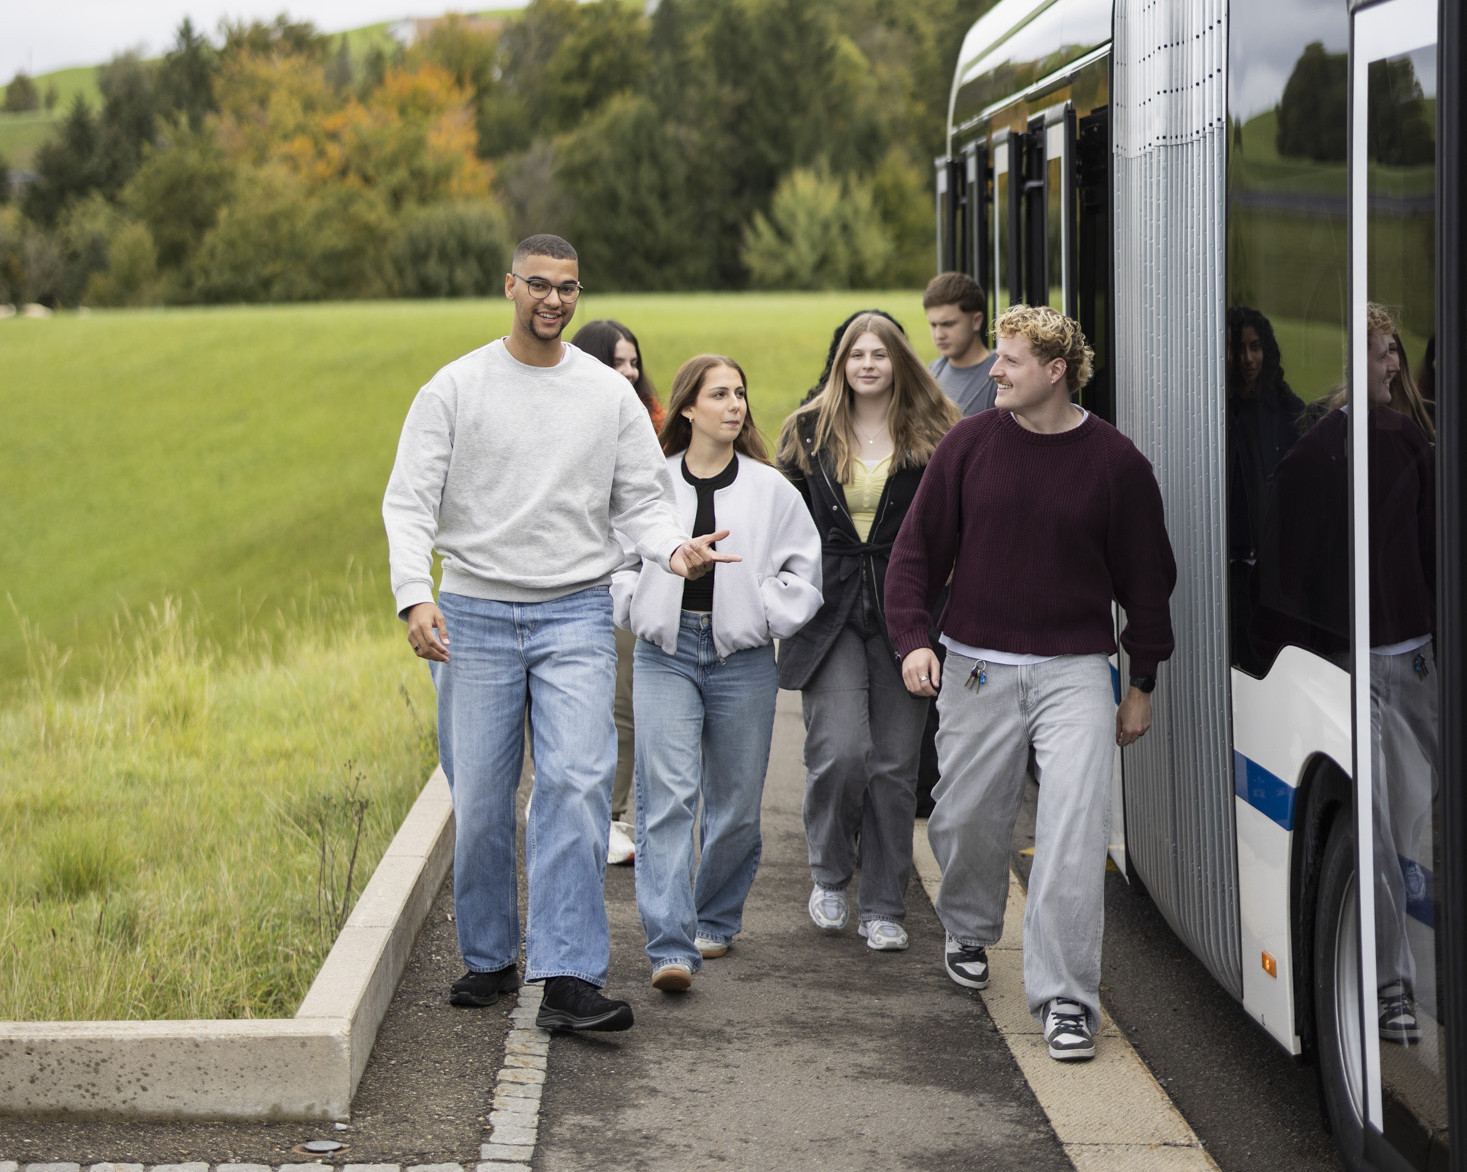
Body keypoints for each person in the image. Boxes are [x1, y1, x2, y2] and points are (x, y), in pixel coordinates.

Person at [382, 233, 734, 1032]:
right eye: (538, 285)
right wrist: (414, 597)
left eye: (567, 288)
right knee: (477, 798)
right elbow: (408, 503)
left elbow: (644, 500)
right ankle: (488, 957)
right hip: (472, 612)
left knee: (575, 790)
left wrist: (671, 548)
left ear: (578, 293)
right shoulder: (455, 388)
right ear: (510, 286)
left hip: (575, 610)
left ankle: (569, 975)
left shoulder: (604, 398)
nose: (552, 300)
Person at [886, 304, 1176, 1062]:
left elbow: (1147, 582)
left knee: (1074, 831)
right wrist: (914, 640)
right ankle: (970, 924)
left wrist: (1139, 680)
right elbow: (915, 554)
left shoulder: (1116, 464)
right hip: (975, 663)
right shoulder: (968, 446)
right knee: (964, 820)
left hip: (1075, 668)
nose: (994, 372)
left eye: (1009, 362)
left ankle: (1066, 1000)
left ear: (1054, 372)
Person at [614, 355, 822, 991]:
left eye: (741, 394)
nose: (735, 405)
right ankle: (670, 945)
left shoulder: (770, 488)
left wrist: (758, 610)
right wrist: (641, 602)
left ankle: (715, 917)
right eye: (720, 394)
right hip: (664, 657)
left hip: (743, 661)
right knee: (669, 799)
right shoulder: (650, 486)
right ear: (687, 408)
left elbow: (805, 575)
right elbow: (615, 565)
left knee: (734, 808)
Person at [776, 313, 961, 951]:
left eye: (880, 353)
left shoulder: (937, 432)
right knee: (840, 752)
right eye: (856, 353)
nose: (868, 364)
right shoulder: (807, 430)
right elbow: (779, 522)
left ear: (898, 361)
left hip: (906, 611)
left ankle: (883, 905)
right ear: (841, 364)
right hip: (827, 611)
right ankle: (830, 875)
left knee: (894, 766)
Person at [571, 318, 664, 866]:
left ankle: (610, 815)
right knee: (585, 708)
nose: (629, 372)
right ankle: (578, 808)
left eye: (633, 361)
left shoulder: (655, 427)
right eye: (616, 362)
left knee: (623, 708)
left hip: (631, 582)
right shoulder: (570, 421)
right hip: (575, 582)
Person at [1225, 306, 1304, 675]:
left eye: (1255, 347)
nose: (1247, 358)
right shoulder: (1214, 411)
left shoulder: (1289, 412)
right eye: (1238, 348)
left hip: (1272, 572)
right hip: (1225, 569)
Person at [923, 271, 998, 416]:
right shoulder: (933, 371)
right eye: (933, 325)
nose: (939, 335)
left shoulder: (1000, 373)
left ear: (976, 321)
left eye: (948, 324)